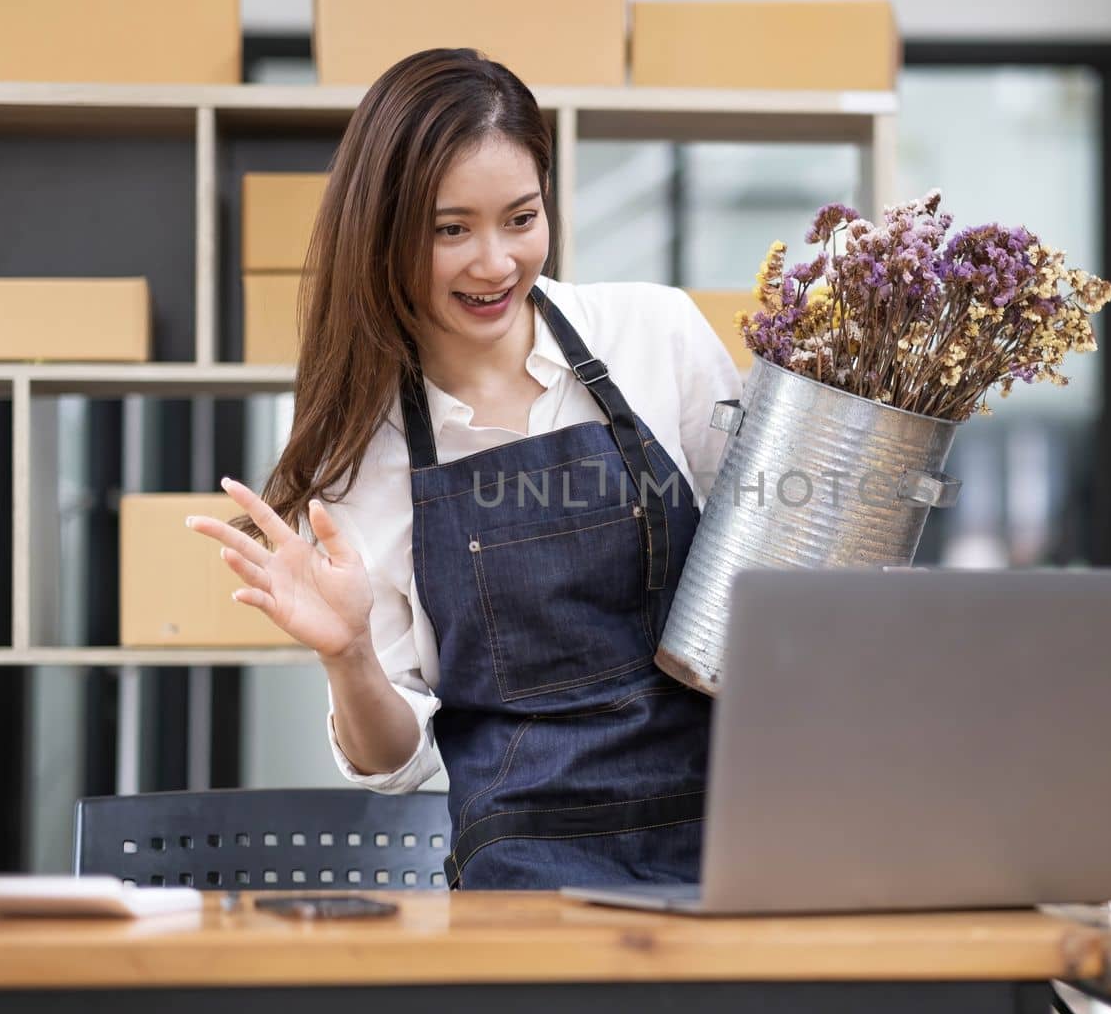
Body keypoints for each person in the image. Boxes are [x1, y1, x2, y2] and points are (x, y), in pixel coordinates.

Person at [186, 48, 741, 889]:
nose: (495, 263)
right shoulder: (362, 456)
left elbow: (770, 576)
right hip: (526, 873)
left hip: (735, 825)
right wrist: (348, 657)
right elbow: (393, 757)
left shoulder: (656, 335)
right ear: (384, 231)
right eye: (452, 229)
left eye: (521, 218)